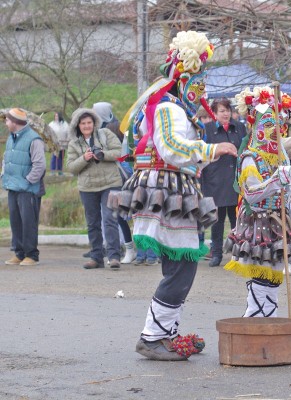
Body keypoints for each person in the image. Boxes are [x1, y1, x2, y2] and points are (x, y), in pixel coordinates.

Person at [112, 31, 237, 361]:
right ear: (184, 79)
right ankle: (153, 337)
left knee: (181, 264)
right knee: (181, 265)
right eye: (199, 82)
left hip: (177, 190)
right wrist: (212, 148)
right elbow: (170, 148)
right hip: (166, 190)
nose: (203, 91)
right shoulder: (168, 108)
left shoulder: (177, 108)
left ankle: (166, 333)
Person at [223, 85, 291, 318]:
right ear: (256, 127)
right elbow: (251, 193)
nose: (274, 133)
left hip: (278, 221)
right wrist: (274, 181)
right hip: (257, 221)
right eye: (268, 126)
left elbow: (287, 197)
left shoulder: (279, 157)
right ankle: (255, 319)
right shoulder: (249, 157)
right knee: (261, 272)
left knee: (275, 272)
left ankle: (268, 318)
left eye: (279, 127)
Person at [66, 108, 123, 269]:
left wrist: (103, 154)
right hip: (87, 187)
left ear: (94, 123)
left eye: (89, 122)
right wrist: (84, 158)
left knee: (110, 219)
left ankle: (114, 257)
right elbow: (71, 167)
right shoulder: (73, 144)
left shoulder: (105, 134)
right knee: (92, 223)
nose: (86, 125)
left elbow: (119, 152)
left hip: (110, 184)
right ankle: (96, 257)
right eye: (83, 123)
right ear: (78, 125)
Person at [201, 98, 247, 267]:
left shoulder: (239, 127)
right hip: (215, 180)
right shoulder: (208, 129)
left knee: (237, 219)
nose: (226, 114)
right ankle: (217, 254)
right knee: (217, 221)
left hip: (235, 180)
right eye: (222, 111)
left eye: (227, 110)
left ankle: (238, 253)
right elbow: (203, 153)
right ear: (214, 113)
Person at [93, 101, 136, 265]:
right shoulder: (95, 129)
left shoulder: (117, 126)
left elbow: (123, 150)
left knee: (128, 213)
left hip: (123, 173)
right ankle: (126, 247)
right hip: (108, 175)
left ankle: (140, 250)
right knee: (117, 213)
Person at [2, 108, 45, 266]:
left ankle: (31, 255)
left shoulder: (34, 139)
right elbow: (6, 159)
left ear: (15, 122)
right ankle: (19, 254)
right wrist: (4, 174)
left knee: (28, 222)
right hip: (13, 187)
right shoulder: (11, 137)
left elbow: (39, 165)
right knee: (16, 221)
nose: (5, 123)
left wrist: (27, 181)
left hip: (28, 189)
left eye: (7, 120)